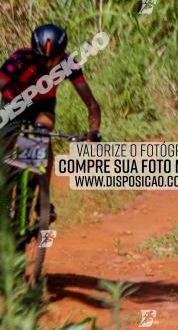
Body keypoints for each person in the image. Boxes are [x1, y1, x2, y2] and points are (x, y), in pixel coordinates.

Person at [0, 24, 102, 219]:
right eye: (42, 58)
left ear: (62, 54)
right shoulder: (20, 59)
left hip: (42, 106)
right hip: (12, 105)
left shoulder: (68, 64)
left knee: (42, 134)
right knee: (4, 152)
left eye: (52, 59)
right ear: (33, 51)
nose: (47, 64)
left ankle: (42, 200)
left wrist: (94, 131)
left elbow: (91, 104)